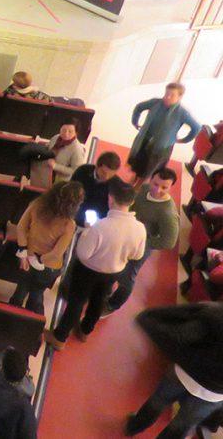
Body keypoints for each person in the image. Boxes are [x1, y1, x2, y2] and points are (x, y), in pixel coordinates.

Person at [45, 179, 145, 349]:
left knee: (76, 301)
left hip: (88, 271)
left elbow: (83, 254)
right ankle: (85, 330)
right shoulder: (140, 228)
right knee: (98, 301)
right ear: (132, 202)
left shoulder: (100, 226)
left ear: (111, 199)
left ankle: (60, 337)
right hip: (114, 271)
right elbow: (138, 254)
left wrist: (87, 232)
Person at [125, 303, 223, 439]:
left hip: (184, 372)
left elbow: (179, 335)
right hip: (214, 394)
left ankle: (134, 427)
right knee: (182, 424)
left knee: (158, 400)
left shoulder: (216, 315)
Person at [105, 167, 179, 314]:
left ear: (171, 187)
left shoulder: (167, 213)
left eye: (164, 187)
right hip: (126, 236)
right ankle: (106, 288)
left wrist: (143, 242)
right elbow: (132, 204)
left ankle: (113, 304)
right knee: (113, 263)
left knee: (127, 277)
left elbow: (168, 242)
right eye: (155, 184)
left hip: (141, 247)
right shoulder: (144, 189)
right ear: (150, 179)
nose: (157, 190)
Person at [10, 181, 82, 315]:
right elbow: (56, 253)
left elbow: (20, 227)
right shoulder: (69, 224)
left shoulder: (37, 204)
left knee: (20, 290)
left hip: (26, 257)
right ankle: (30, 322)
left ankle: (10, 315)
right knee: (37, 295)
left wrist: (24, 252)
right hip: (47, 266)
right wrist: (38, 259)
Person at [128, 82, 200, 183]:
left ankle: (139, 185)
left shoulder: (182, 113)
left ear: (179, 97)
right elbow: (139, 107)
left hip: (162, 147)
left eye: (172, 95)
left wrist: (184, 140)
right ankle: (135, 177)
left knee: (151, 168)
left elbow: (196, 127)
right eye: (166, 94)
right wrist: (135, 121)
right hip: (145, 139)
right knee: (139, 161)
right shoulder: (155, 102)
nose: (167, 97)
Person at [70, 151, 121, 226]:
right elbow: (70, 193)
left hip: (98, 224)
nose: (106, 177)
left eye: (111, 174)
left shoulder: (115, 184)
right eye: (103, 172)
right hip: (74, 216)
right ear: (97, 166)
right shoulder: (82, 171)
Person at [33, 120, 86, 187]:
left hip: (60, 182)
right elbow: (48, 147)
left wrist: (55, 166)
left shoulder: (77, 149)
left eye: (70, 131)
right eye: (63, 130)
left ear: (76, 133)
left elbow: (76, 171)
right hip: (45, 171)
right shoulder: (56, 137)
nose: (66, 134)